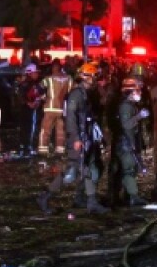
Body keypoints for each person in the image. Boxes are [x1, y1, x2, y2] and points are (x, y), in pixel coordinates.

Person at [37, 63, 108, 214]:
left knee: (88, 168)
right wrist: (75, 138)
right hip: (78, 138)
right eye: (94, 77)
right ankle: (45, 197)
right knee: (71, 172)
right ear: (86, 77)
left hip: (86, 137)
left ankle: (90, 201)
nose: (95, 80)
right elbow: (71, 117)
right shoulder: (77, 94)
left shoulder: (86, 93)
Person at [108, 77, 148, 206]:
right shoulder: (125, 106)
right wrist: (139, 116)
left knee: (129, 169)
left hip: (128, 142)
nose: (140, 93)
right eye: (137, 90)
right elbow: (126, 125)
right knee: (129, 170)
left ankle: (126, 196)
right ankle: (133, 196)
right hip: (125, 144)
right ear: (130, 91)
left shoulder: (130, 105)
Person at [39, 60, 71, 155]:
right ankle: (60, 150)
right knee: (61, 131)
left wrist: (43, 98)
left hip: (50, 108)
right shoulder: (68, 79)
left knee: (45, 130)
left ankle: (43, 150)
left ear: (53, 68)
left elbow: (39, 89)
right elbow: (71, 91)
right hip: (62, 109)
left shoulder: (48, 79)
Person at [15, 63, 43, 155]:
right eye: (35, 73)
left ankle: (28, 145)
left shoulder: (36, 84)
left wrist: (38, 101)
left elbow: (40, 94)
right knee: (26, 128)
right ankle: (25, 145)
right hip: (25, 110)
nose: (37, 74)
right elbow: (20, 97)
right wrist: (28, 103)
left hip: (33, 109)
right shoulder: (24, 85)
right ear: (30, 73)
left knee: (31, 128)